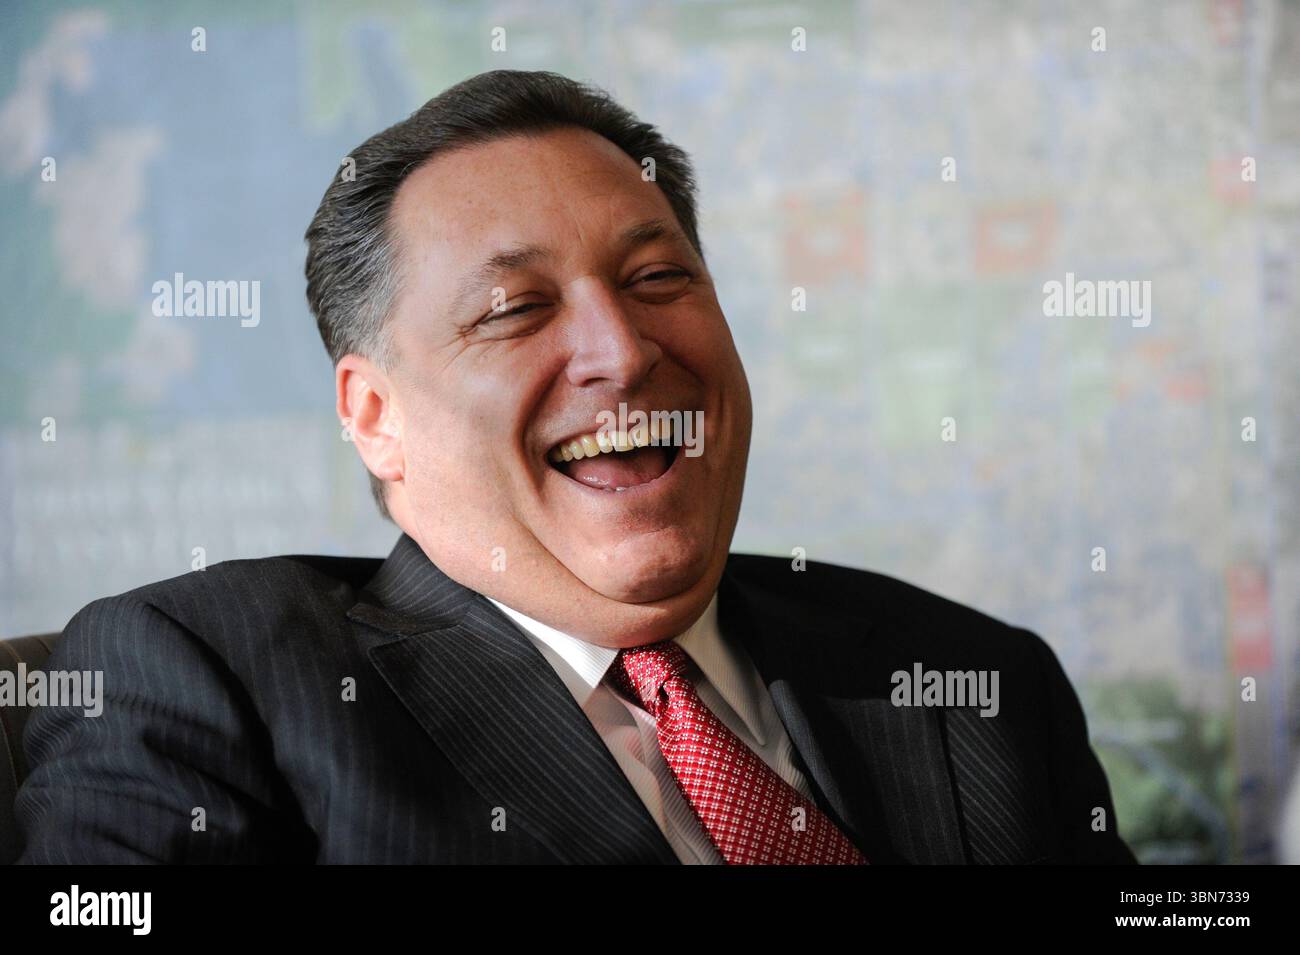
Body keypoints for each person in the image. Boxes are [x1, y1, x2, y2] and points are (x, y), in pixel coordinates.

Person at [15, 69, 1136, 864]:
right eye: (516, 307)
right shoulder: (204, 678)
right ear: (376, 417)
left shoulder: (973, 679)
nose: (623, 350)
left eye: (657, 280)